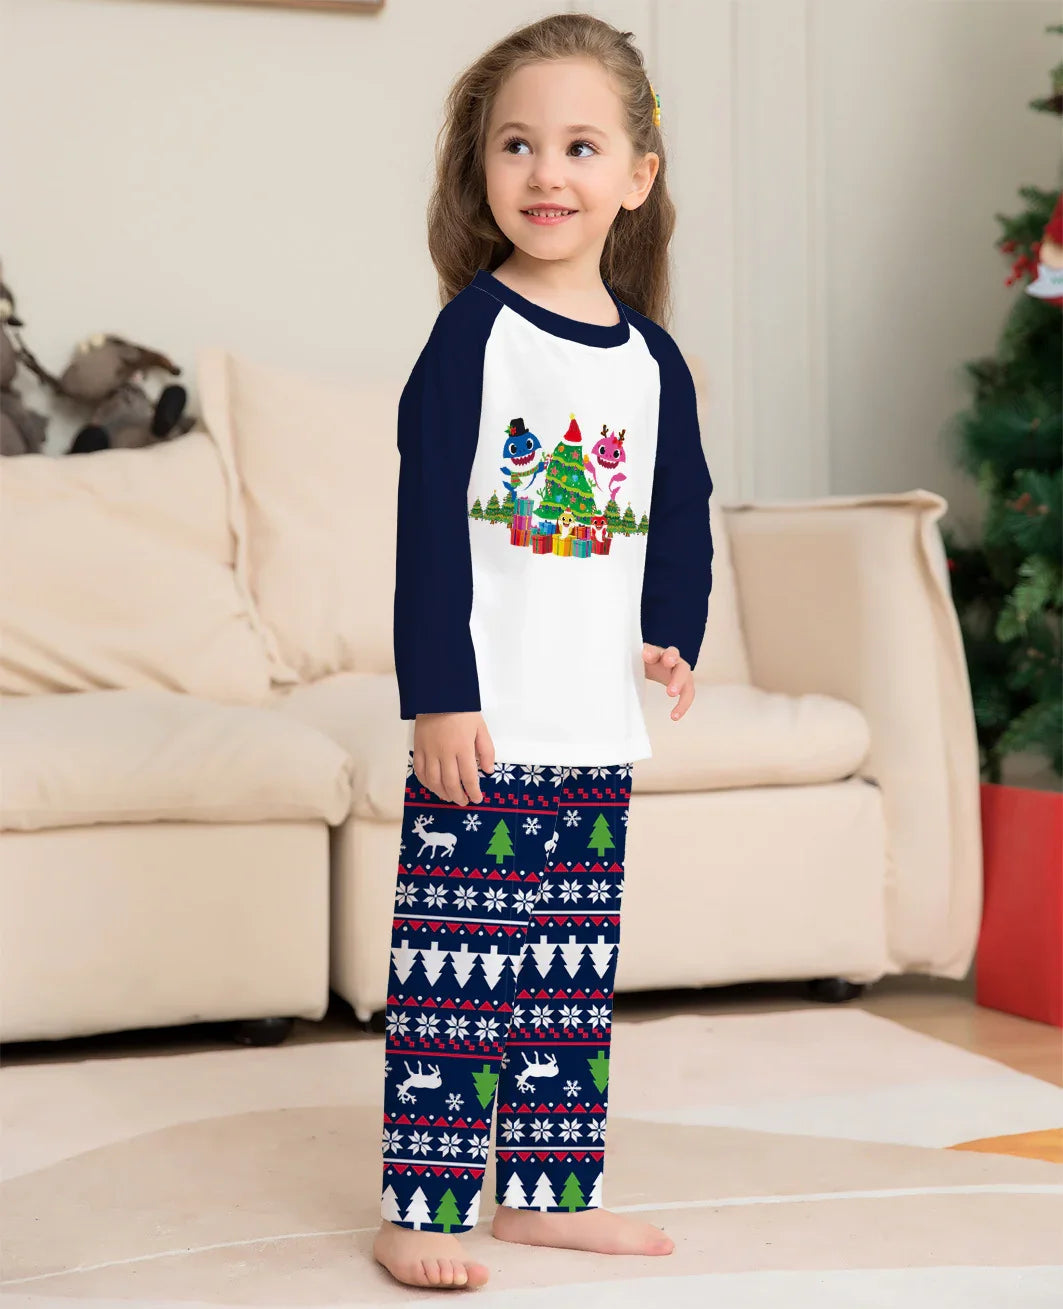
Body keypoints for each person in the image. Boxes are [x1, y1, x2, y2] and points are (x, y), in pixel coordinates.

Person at [373, 11, 713, 1292]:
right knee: (458, 978)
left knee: (565, 982)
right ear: (482, 170)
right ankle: (422, 1204)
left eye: (579, 146)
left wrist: (672, 631)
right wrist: (438, 696)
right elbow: (426, 526)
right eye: (516, 145)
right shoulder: (476, 333)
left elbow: (679, 510)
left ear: (637, 175)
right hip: (485, 723)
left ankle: (546, 1196)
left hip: (592, 728)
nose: (545, 172)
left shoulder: (653, 361)